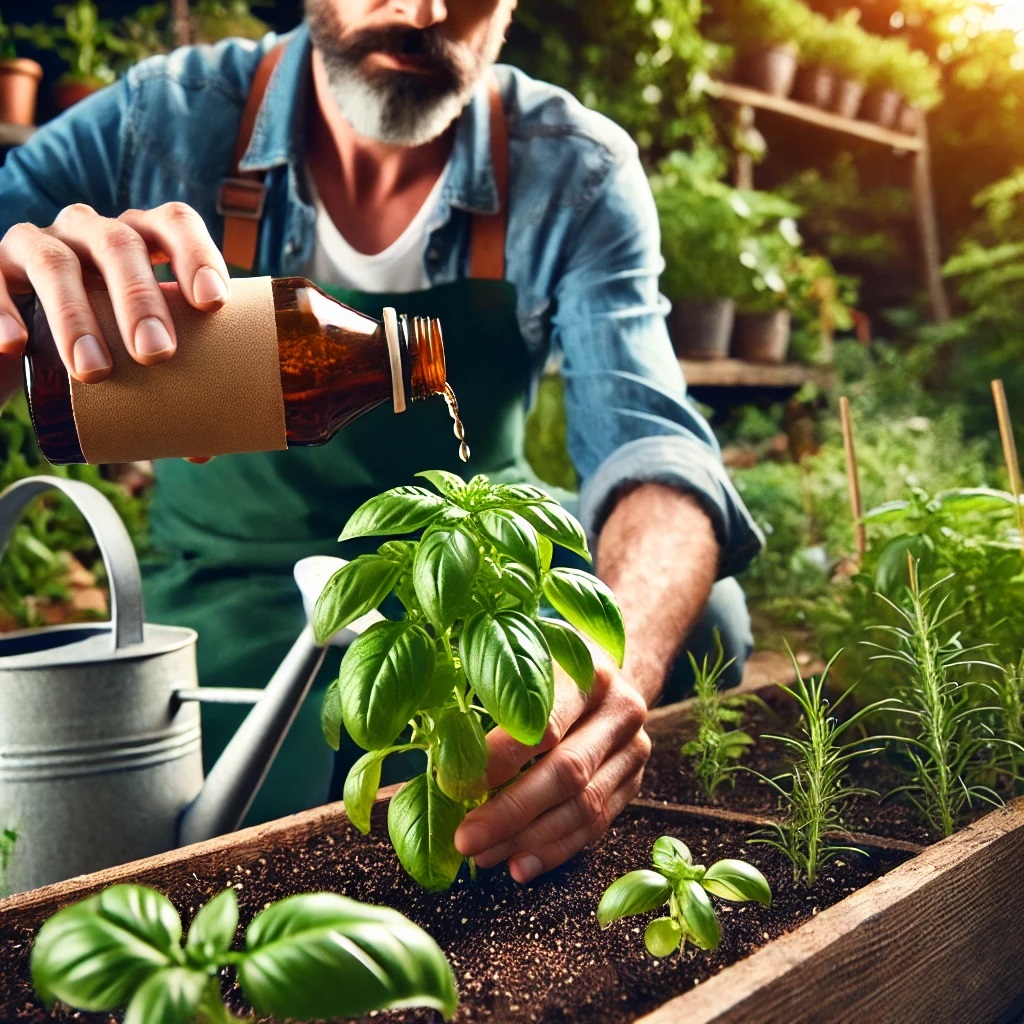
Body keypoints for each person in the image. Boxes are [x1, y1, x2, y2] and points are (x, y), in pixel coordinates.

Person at [0, 0, 762, 885]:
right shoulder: (167, 115)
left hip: (466, 550)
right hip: (236, 573)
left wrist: (612, 666)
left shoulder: (573, 166)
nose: (425, 8)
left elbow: (652, 444)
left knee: (698, 613)